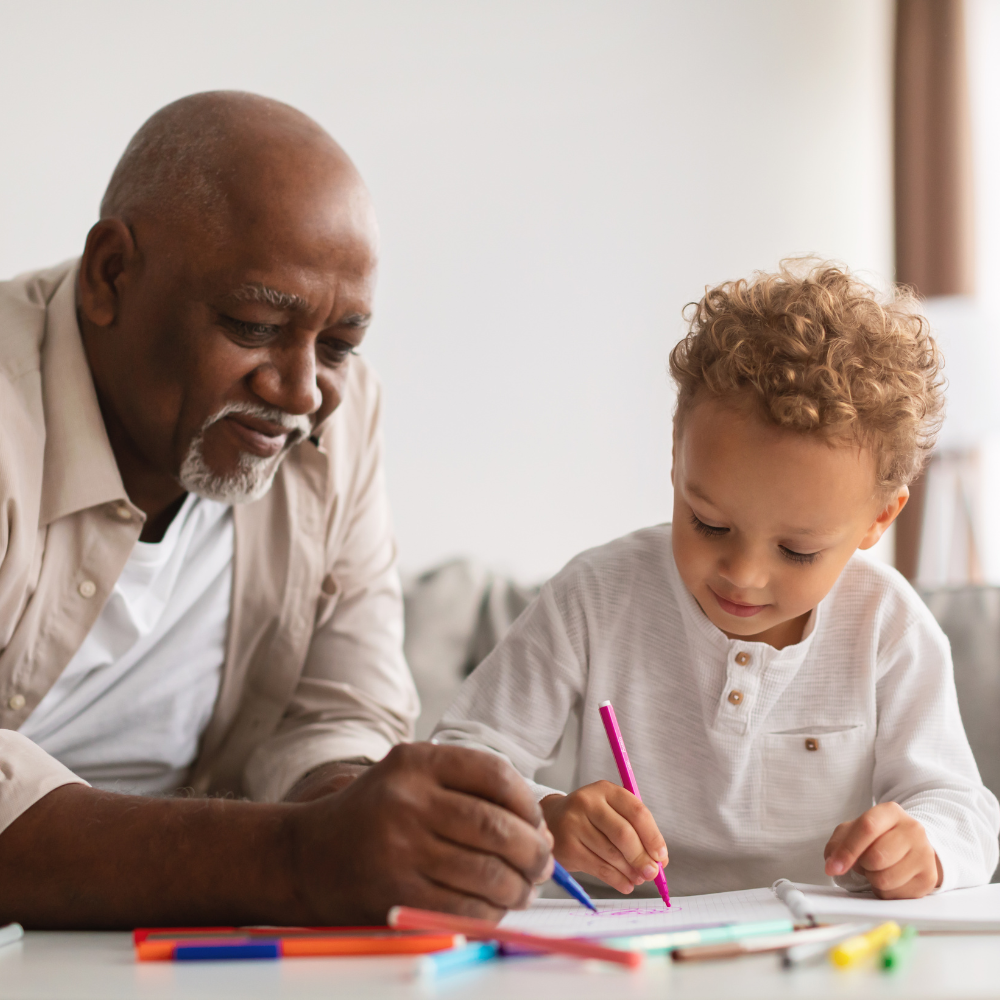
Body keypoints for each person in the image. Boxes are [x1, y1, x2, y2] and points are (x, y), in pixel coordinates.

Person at [0, 91, 551, 928]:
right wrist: (299, 856)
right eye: (254, 324)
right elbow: (299, 856)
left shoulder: (343, 414)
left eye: (339, 346)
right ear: (112, 275)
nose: (300, 391)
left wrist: (375, 825)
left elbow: (339, 709)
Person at [433, 262, 1000, 900]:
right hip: (621, 951)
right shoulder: (595, 597)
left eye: (796, 549)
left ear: (878, 519)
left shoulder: (887, 627)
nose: (743, 575)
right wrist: (547, 816)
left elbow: (962, 806)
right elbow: (461, 760)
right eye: (708, 524)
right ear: (677, 450)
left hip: (812, 957)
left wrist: (923, 845)